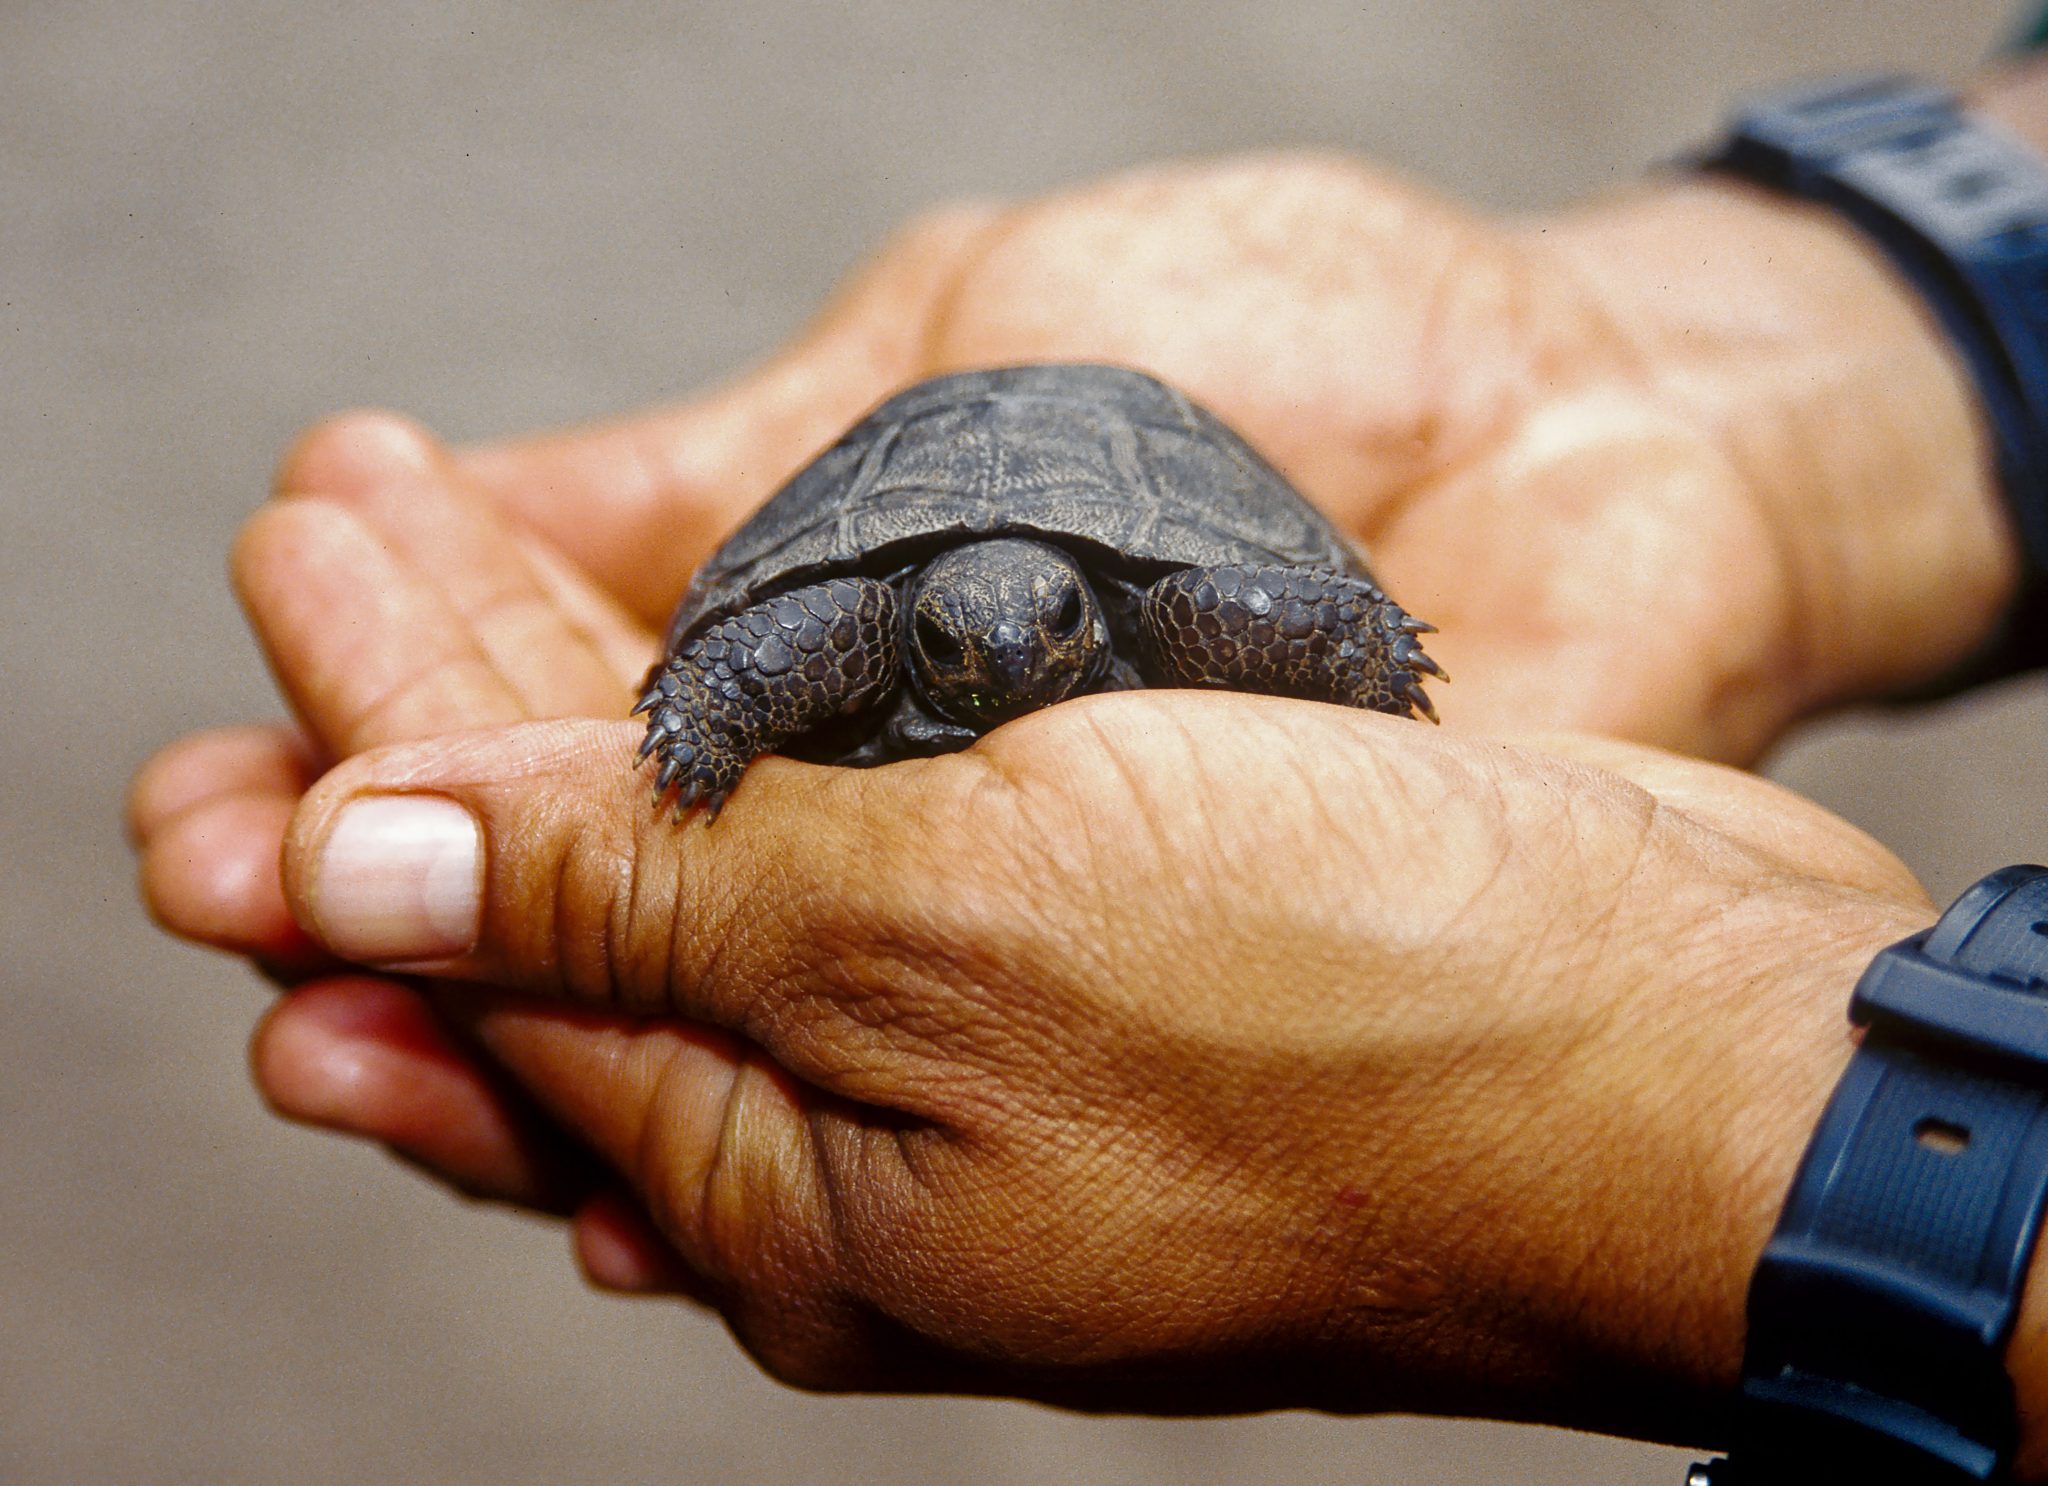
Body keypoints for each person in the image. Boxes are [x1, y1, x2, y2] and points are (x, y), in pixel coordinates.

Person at [127, 50, 2048, 1471]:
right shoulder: (886, 625)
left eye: (1037, 636)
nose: (1008, 666)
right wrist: (703, 721)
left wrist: (1696, 1095)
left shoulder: (1141, 608)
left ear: (1083, 613)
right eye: (967, 640)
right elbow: (805, 635)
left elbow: (1297, 619)